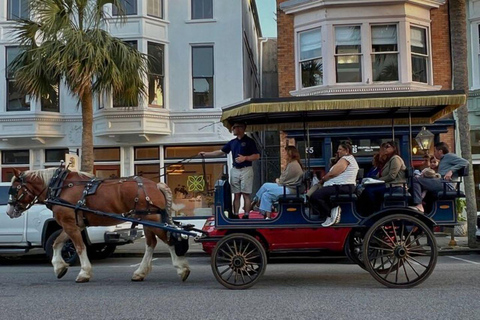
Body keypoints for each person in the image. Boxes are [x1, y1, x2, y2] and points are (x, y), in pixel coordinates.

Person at [198, 122, 260, 219]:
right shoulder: (232, 142)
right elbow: (220, 152)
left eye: (235, 127)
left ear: (242, 128)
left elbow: (257, 156)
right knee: (236, 194)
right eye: (233, 127)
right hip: (235, 169)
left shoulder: (249, 141)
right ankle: (235, 214)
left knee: (246, 194)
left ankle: (246, 215)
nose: (233, 129)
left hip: (246, 169)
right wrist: (206, 154)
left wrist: (245, 158)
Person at [309, 141, 359, 227]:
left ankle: (330, 213)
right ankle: (327, 212)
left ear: (346, 150)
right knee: (319, 195)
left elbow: (333, 173)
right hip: (341, 186)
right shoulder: (347, 159)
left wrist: (322, 180)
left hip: (343, 186)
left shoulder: (346, 159)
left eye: (340, 149)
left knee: (316, 196)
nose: (338, 151)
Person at [411, 142, 469, 213]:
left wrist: (451, 171)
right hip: (443, 183)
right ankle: (426, 209)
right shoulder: (443, 160)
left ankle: (419, 205)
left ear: (440, 151)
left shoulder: (449, 156)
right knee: (421, 181)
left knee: (416, 179)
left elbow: (465, 162)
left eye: (435, 151)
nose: (434, 153)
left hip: (446, 185)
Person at [252, 146, 303, 219]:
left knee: (265, 185)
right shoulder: (293, 164)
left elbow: (282, 180)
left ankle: (255, 201)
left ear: (290, 153)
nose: (284, 154)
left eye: (285, 152)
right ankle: (267, 217)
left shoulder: (293, 165)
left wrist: (278, 180)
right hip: (288, 187)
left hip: (289, 189)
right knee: (266, 195)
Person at [358, 141, 406, 215]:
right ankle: (366, 211)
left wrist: (378, 180)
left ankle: (374, 210)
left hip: (395, 186)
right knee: (366, 188)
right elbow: (380, 174)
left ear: (394, 148)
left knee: (369, 191)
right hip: (388, 185)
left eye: (388, 147)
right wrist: (370, 179)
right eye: (384, 147)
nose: (385, 149)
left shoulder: (396, 159)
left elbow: (392, 176)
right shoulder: (388, 161)